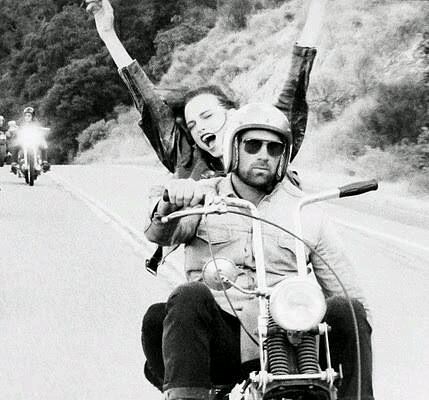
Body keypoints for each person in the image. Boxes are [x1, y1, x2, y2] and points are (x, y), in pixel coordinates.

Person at [142, 102, 386, 400]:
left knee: (348, 308)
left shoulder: (306, 211)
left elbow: (346, 287)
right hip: (223, 341)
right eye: (253, 145)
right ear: (233, 150)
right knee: (186, 296)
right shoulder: (205, 198)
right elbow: (159, 232)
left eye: (274, 149)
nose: (264, 155)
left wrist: (354, 330)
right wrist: (171, 202)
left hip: (291, 339)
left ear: (284, 156)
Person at [85, 0, 324, 271]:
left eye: (208, 116)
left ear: (234, 116)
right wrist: (108, 34)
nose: (200, 127)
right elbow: (148, 101)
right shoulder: (186, 158)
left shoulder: (266, 143)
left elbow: (297, 77)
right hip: (215, 272)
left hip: (276, 269)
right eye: (193, 124)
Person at [10, 106, 50, 174]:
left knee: (44, 144)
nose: (27, 117)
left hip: (34, 140)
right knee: (15, 145)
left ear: (32, 116)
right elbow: (16, 128)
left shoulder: (36, 123)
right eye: (26, 116)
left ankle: (44, 162)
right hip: (23, 140)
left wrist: (44, 129)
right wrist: (14, 130)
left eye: (29, 116)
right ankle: (14, 163)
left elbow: (40, 129)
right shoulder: (21, 122)